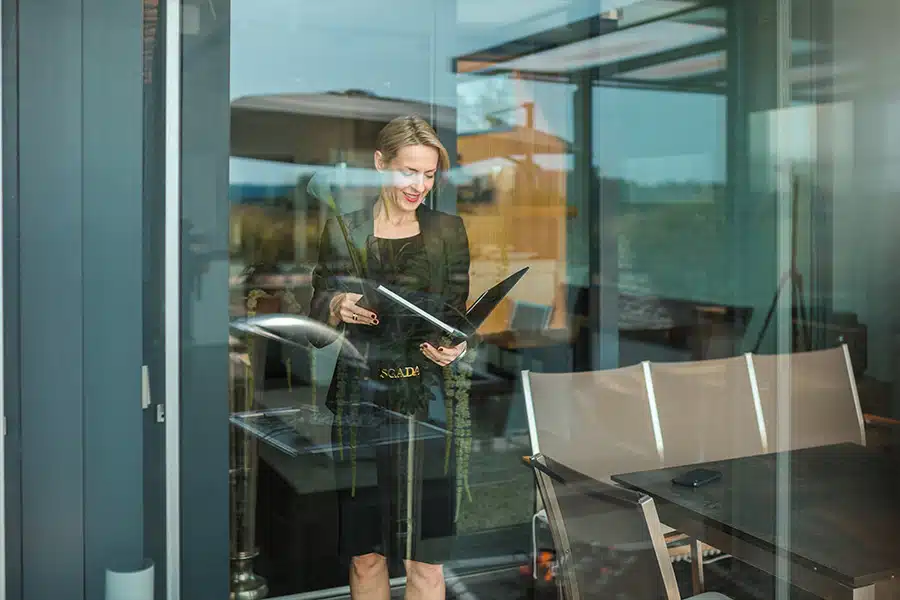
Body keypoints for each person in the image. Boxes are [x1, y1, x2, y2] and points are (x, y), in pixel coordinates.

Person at [309, 115, 470, 600]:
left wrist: (457, 344)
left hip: (429, 406)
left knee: (426, 559)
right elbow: (317, 311)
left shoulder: (448, 231)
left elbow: (457, 316)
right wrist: (336, 305)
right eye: (408, 172)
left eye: (428, 174)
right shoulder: (345, 230)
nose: (420, 185)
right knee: (366, 555)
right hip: (360, 403)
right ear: (380, 164)